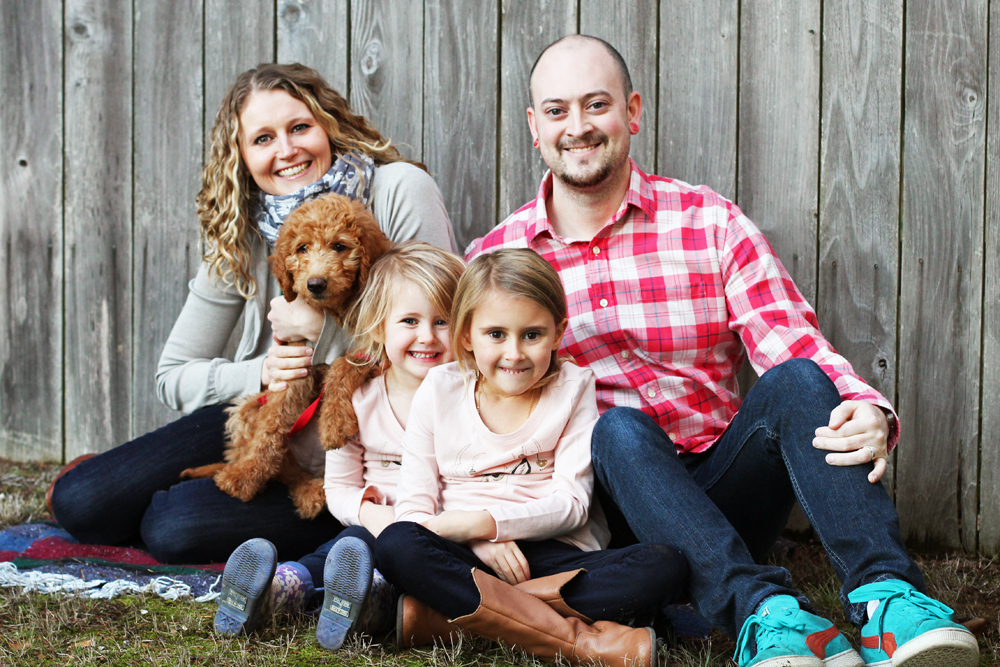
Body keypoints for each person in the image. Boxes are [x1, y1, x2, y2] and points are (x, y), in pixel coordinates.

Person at [466, 35, 979, 667]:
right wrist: (480, 521)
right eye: (557, 110)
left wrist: (865, 407)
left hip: (726, 485)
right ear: (533, 126)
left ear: (633, 111)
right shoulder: (500, 261)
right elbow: (466, 406)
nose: (577, 127)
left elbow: (790, 338)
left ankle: (886, 601)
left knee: (796, 380)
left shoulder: (708, 222)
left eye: (596, 105)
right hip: (609, 510)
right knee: (618, 429)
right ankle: (765, 612)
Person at [49, 63, 456, 566]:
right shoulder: (243, 227)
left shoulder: (396, 189)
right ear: (242, 156)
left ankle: (340, 523)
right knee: (80, 501)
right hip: (263, 411)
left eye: (299, 128)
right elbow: (173, 375)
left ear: (327, 126)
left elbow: (439, 338)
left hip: (363, 441)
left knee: (172, 526)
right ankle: (166, 491)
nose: (286, 150)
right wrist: (259, 371)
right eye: (263, 138)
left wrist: (318, 332)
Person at [373, 249, 689, 667]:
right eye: (496, 334)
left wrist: (485, 524)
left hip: (556, 554)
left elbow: (573, 506)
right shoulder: (439, 387)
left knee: (664, 566)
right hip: (468, 557)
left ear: (558, 333)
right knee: (397, 543)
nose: (515, 353)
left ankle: (444, 618)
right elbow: (414, 506)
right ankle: (577, 641)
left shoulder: (573, 388)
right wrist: (478, 541)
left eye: (532, 335)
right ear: (466, 334)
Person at [211, 242, 464, 650]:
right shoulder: (358, 398)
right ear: (379, 328)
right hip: (374, 523)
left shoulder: (470, 400)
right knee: (344, 551)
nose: (426, 337)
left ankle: (367, 603)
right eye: (410, 321)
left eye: (442, 322)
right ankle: (277, 587)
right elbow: (340, 486)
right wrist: (372, 516)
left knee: (397, 570)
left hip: (443, 533)